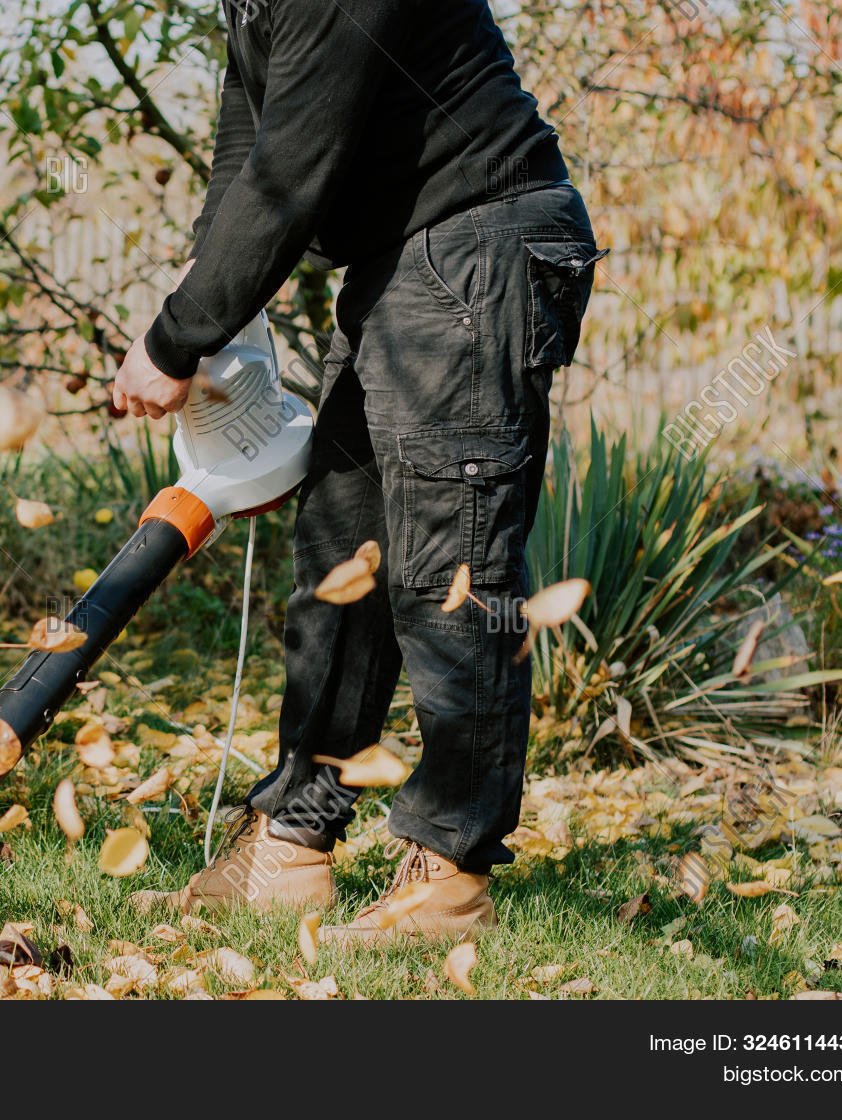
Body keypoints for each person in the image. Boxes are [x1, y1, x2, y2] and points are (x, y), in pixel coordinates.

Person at [114, 0, 605, 944]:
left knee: (447, 573)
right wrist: (208, 302)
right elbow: (247, 141)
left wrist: (177, 341)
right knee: (344, 560)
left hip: (477, 240)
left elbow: (294, 167)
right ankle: (292, 846)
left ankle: (451, 880)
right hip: (402, 261)